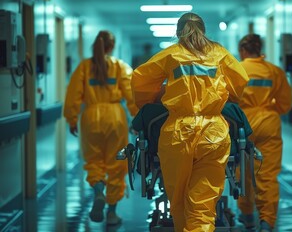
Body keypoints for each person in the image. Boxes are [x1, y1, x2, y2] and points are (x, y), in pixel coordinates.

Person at [131, 12, 249, 232]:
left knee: (178, 202)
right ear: (203, 30)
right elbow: (238, 86)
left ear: (178, 32)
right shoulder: (220, 54)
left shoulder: (172, 54)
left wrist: (149, 101)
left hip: (178, 134)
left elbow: (140, 80)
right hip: (213, 133)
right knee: (203, 205)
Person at [63, 30, 138, 225]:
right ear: (111, 47)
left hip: (91, 117)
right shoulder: (119, 67)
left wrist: (72, 119)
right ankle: (111, 213)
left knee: (94, 161)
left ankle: (98, 192)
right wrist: (138, 120)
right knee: (117, 164)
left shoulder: (84, 68)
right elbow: (132, 94)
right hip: (115, 117)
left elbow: (73, 95)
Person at [236, 34, 292, 232]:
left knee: (242, 171)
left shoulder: (236, 70)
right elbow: (285, 104)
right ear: (259, 49)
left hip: (242, 126)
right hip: (269, 124)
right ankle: (267, 221)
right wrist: (268, 110)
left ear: (243, 51)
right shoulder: (274, 71)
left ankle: (247, 214)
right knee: (267, 175)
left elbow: (226, 100)